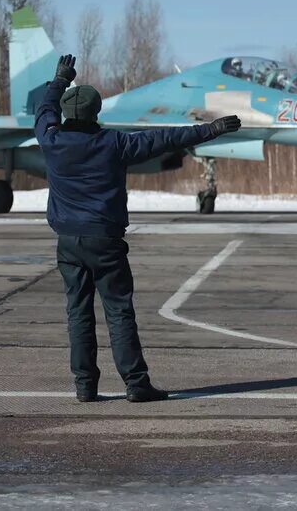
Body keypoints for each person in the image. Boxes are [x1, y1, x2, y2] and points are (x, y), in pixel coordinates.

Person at [36, 55, 241, 403]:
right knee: (118, 311)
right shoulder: (113, 144)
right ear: (96, 112)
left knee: (78, 313)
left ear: (67, 114)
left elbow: (44, 109)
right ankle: (136, 383)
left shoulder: (51, 140)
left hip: (68, 241)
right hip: (105, 241)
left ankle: (85, 386)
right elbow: (162, 140)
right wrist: (210, 129)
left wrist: (59, 80)